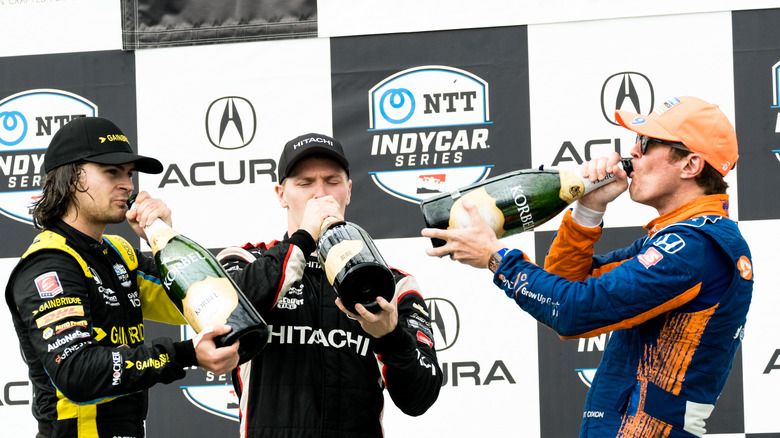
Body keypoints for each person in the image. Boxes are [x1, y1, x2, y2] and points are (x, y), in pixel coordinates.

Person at [422, 96, 753, 437]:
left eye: (646, 142)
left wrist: (496, 258)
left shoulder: (695, 247)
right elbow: (565, 283)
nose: (633, 151)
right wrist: (588, 209)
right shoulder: (681, 239)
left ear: (690, 165)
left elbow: (574, 312)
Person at [4, 116, 240, 438]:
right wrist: (185, 354)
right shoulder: (49, 264)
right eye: (112, 172)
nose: (129, 185)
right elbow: (77, 372)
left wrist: (163, 239)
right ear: (72, 178)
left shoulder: (118, 252)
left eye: (129, 174)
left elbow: (196, 303)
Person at [216, 133, 442, 438]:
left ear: (348, 191)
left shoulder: (392, 283)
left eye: (332, 181)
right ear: (281, 194)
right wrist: (304, 240)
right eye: (305, 183)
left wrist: (389, 338)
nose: (320, 195)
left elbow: (420, 398)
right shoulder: (244, 259)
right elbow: (222, 321)